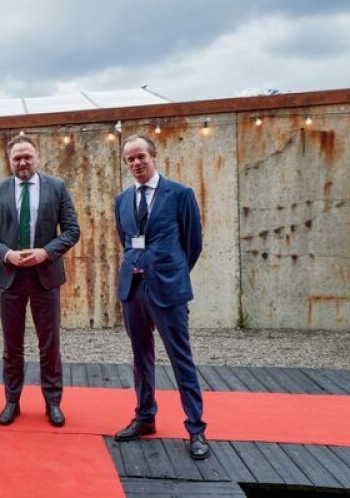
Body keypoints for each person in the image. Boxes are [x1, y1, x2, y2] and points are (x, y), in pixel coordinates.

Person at [113, 134, 210, 460]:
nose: (136, 163)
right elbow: (126, 240)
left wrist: (169, 271)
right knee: (141, 358)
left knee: (181, 358)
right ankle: (145, 417)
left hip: (168, 289)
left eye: (141, 156)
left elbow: (192, 244)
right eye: (130, 159)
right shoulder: (122, 200)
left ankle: (196, 428)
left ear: (154, 156)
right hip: (133, 290)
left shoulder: (180, 194)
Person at [0, 135, 80, 427]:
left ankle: (53, 403)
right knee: (12, 345)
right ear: (9, 161)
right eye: (16, 158)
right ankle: (12, 401)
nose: (22, 162)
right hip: (9, 279)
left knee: (49, 344)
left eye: (27, 157)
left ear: (37, 157)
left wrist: (46, 252)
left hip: (45, 278)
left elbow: (72, 230)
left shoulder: (56, 187)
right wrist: (6, 254)